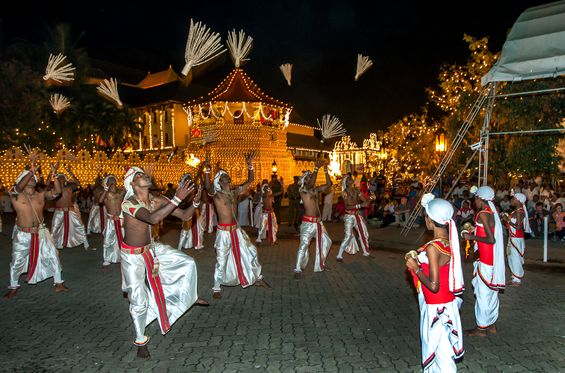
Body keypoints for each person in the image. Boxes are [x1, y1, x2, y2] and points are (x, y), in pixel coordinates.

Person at [120, 166, 208, 359]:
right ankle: (141, 339)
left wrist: (194, 202)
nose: (144, 175)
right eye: (139, 175)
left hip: (152, 249)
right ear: (133, 184)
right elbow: (152, 219)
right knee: (138, 299)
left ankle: (188, 297)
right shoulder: (128, 203)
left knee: (187, 263)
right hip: (132, 256)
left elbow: (185, 216)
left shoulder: (158, 200)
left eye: (143, 172)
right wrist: (176, 198)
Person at [405, 194, 464, 372]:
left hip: (436, 307)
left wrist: (415, 268)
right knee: (443, 352)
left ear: (430, 220)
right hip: (447, 304)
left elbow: (433, 285)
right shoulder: (449, 241)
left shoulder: (433, 247)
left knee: (441, 353)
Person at [203, 152, 269, 299]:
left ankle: (256, 277)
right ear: (219, 181)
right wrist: (207, 170)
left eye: (227, 175)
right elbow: (207, 187)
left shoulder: (234, 192)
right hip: (224, 233)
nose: (227, 176)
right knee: (222, 259)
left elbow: (250, 180)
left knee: (251, 250)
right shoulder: (217, 194)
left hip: (236, 230)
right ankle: (216, 287)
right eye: (224, 176)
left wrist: (249, 164)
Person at [4, 158, 69, 299]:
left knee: (53, 255)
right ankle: (13, 286)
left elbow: (57, 192)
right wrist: (31, 171)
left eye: (34, 176)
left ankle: (58, 283)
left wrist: (54, 174)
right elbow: (17, 188)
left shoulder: (41, 194)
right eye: (29, 176)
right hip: (23, 235)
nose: (33, 178)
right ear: (23, 180)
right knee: (17, 261)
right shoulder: (15, 194)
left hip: (41, 232)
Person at [462, 185, 505, 336]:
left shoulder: (483, 214)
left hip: (486, 260)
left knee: (483, 294)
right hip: (490, 259)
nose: (475, 201)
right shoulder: (491, 213)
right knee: (491, 292)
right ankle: (491, 324)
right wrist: (475, 230)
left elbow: (490, 239)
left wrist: (471, 237)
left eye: (475, 198)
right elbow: (488, 232)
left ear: (480, 199)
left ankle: (481, 328)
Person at [294, 159, 333, 279]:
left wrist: (325, 170)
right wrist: (316, 168)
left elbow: (329, 184)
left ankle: (321, 263)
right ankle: (297, 268)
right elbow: (310, 184)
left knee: (327, 241)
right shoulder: (303, 191)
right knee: (304, 245)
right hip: (308, 223)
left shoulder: (315, 190)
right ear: (305, 180)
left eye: (312, 176)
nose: (311, 178)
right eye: (309, 177)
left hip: (319, 224)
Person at [336, 174, 374, 262]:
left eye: (351, 179)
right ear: (346, 183)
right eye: (349, 179)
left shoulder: (356, 190)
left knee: (363, 233)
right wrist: (360, 205)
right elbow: (347, 206)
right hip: (349, 216)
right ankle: (339, 255)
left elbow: (365, 200)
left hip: (357, 215)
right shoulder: (344, 192)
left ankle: (366, 253)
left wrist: (371, 198)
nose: (351, 180)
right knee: (348, 236)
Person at [51, 166, 90, 250]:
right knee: (55, 229)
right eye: (59, 178)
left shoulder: (70, 188)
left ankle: (84, 242)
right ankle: (53, 245)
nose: (61, 179)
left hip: (70, 211)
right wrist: (54, 173)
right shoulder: (55, 189)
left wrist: (70, 172)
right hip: (59, 212)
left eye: (63, 178)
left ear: (66, 180)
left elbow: (78, 184)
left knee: (79, 226)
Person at [502, 192, 531, 286]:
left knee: (515, 258)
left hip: (516, 237)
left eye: (513, 199)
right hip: (513, 237)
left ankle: (517, 279)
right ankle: (515, 277)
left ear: (518, 200)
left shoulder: (519, 211)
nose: (512, 200)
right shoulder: (517, 210)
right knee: (511, 257)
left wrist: (508, 221)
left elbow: (518, 227)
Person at [98, 174, 125, 267]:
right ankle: (107, 258)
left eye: (114, 180)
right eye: (110, 180)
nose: (113, 181)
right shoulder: (105, 194)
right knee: (108, 240)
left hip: (121, 220)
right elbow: (100, 201)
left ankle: (124, 257)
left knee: (123, 239)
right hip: (111, 221)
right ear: (107, 183)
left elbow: (129, 189)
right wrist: (106, 189)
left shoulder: (121, 192)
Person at [177, 174, 204, 250]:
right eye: (187, 180)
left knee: (197, 228)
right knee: (185, 230)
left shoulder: (193, 188)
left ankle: (193, 243)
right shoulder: (182, 190)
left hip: (195, 211)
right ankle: (180, 247)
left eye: (190, 180)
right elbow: (184, 202)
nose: (189, 181)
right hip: (186, 212)